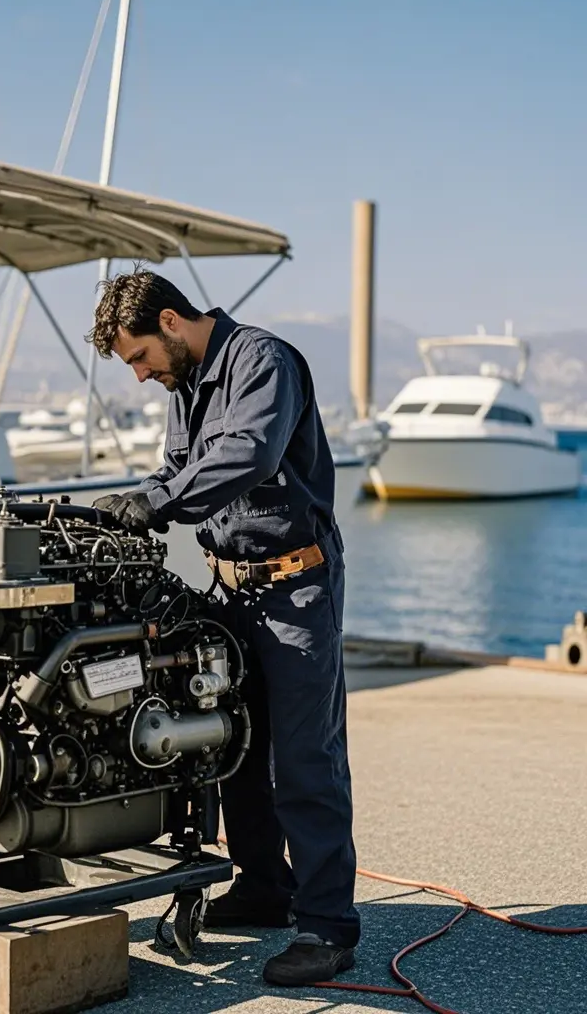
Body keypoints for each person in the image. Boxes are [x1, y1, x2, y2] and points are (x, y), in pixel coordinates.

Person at [88, 266, 360, 987]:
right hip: (229, 588)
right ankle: (265, 886)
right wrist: (141, 501)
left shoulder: (262, 362)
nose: (142, 375)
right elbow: (181, 466)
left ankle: (328, 927)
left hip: (296, 588)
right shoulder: (187, 386)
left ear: (171, 322)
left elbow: (251, 455)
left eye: (140, 356)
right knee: (235, 749)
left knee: (305, 760)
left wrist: (160, 501)